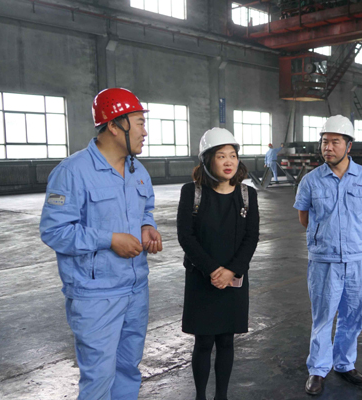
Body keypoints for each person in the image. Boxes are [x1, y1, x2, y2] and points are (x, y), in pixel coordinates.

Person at [39, 87, 163, 399]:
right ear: (114, 125)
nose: (145, 132)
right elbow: (55, 231)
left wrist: (147, 225)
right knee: (99, 379)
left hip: (136, 288)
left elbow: (146, 208)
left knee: (128, 370)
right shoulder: (72, 172)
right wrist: (109, 240)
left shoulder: (137, 169)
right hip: (96, 295)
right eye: (139, 123)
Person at [177, 127, 259, 400]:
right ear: (207, 160)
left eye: (232, 155)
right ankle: (200, 396)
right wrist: (213, 270)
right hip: (202, 278)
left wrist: (231, 271)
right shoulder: (192, 192)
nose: (228, 161)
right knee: (203, 342)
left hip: (233, 280)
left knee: (226, 341)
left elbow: (251, 238)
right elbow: (186, 236)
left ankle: (221, 396)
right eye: (221, 156)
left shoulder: (247, 195)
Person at [293, 115, 362, 396]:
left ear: (348, 146)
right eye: (324, 142)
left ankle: (344, 363)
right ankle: (318, 369)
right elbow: (304, 218)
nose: (328, 147)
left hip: (357, 258)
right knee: (323, 317)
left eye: (335, 142)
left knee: (353, 315)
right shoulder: (310, 181)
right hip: (324, 260)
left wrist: (356, 235)